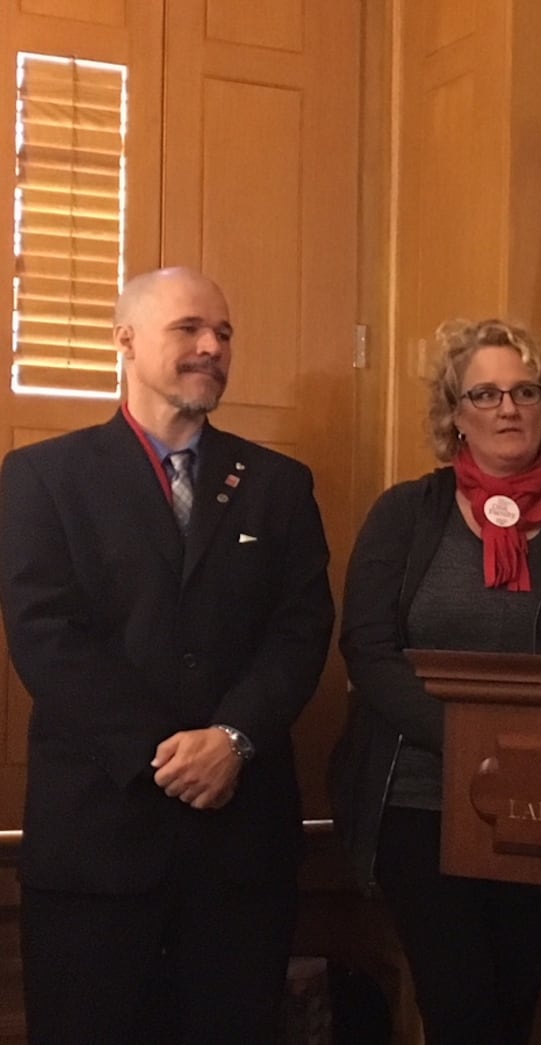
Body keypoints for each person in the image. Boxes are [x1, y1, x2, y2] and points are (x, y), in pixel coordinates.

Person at [0, 267, 335, 1044]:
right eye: (189, 328)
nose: (212, 346)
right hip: (95, 853)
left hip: (238, 856)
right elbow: (46, 635)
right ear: (125, 339)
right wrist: (164, 755)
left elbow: (301, 629)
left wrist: (232, 740)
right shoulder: (42, 479)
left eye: (223, 334)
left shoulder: (279, 485)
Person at [329, 318, 541, 1045]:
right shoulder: (405, 514)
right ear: (455, 414)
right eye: (486, 393)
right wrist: (464, 737)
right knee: (461, 1010)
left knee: (513, 1009)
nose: (507, 408)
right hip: (418, 801)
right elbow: (367, 650)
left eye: (525, 391)